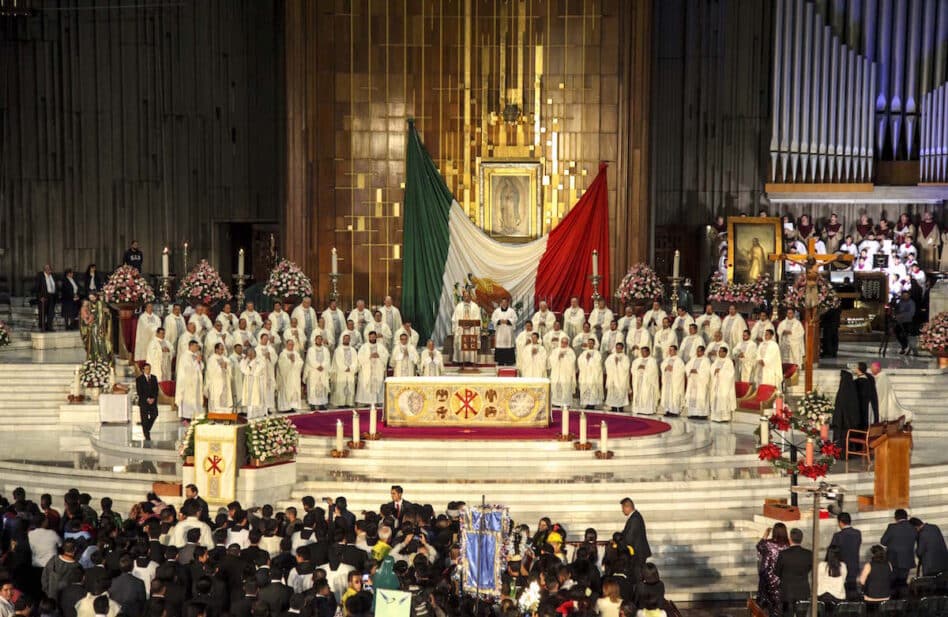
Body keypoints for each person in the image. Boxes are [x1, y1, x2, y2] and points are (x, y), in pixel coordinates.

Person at [774, 528, 812, 615]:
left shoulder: (783, 554)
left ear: (790, 539)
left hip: (786, 591)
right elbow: (810, 568)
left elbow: (777, 572)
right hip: (803, 590)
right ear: (801, 539)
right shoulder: (808, 554)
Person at [880, 509, 916, 595]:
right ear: (906, 517)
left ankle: (893, 603)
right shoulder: (913, 527)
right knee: (903, 582)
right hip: (907, 559)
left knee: (893, 583)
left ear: (895, 518)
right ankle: (905, 602)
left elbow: (883, 541)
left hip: (893, 560)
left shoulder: (892, 527)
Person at [756, 524, 789, 616]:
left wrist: (766, 534)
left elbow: (759, 546)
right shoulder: (787, 546)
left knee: (766, 604)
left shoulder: (767, 544)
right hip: (780, 579)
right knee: (778, 607)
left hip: (767, 578)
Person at [828, 512, 861, 596]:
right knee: (852, 588)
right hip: (854, 564)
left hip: (841, 566)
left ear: (840, 522)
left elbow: (832, 551)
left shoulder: (838, 536)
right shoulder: (857, 533)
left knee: (842, 589)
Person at [619, 498, 651, 581]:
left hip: (637, 553)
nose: (622, 511)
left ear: (628, 507)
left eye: (623, 508)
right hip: (637, 552)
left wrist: (619, 543)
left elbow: (629, 537)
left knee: (638, 577)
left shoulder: (635, 518)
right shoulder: (634, 517)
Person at [831, 370, 862, 451]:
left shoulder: (843, 391)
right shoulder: (853, 391)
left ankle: (839, 450)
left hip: (843, 425)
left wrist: (836, 421)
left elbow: (840, 408)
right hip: (852, 424)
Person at [356, 331, 388, 406]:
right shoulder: (364, 347)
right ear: (368, 337)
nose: (372, 338)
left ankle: (376, 401)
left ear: (376, 337)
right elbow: (360, 358)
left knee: (376, 383)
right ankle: (366, 402)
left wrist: (379, 355)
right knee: (367, 383)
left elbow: (386, 355)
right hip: (367, 369)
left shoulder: (381, 346)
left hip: (377, 369)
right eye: (371, 337)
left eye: (374, 336)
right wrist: (369, 356)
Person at [176, 340, 205, 421]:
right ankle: (186, 417)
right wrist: (197, 361)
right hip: (187, 383)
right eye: (196, 346)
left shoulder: (196, 355)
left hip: (196, 383)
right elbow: (188, 368)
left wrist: (199, 362)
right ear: (190, 346)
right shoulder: (185, 356)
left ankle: (196, 415)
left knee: (196, 400)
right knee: (187, 400)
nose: (197, 348)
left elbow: (201, 367)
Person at [451, 290, 480, 368]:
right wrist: (461, 324)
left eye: (468, 296)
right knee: (461, 343)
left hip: (472, 330)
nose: (466, 298)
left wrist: (470, 324)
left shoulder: (475, 306)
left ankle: (471, 360)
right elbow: (455, 319)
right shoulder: (459, 306)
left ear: (470, 296)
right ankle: (460, 360)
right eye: (465, 296)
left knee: (471, 343)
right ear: (463, 297)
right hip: (461, 329)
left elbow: (478, 318)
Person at [304, 335, 332, 410]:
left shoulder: (325, 350)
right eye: (318, 339)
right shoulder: (311, 349)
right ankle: (312, 404)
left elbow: (327, 359)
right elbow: (310, 360)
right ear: (315, 340)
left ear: (322, 340)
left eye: (320, 339)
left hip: (323, 371)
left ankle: (322, 404)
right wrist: (317, 366)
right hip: (314, 371)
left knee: (322, 387)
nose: (319, 340)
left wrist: (322, 366)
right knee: (313, 387)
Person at [205, 343, 234, 414]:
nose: (223, 350)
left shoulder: (225, 358)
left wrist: (226, 367)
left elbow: (230, 368)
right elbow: (210, 371)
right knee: (216, 401)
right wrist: (220, 367)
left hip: (225, 384)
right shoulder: (211, 359)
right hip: (216, 383)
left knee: (225, 400)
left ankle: (225, 415)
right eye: (221, 349)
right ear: (216, 349)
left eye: (223, 349)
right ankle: (214, 416)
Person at [709, 346, 736, 422]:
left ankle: (725, 417)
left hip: (724, 385)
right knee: (716, 398)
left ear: (725, 353)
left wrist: (720, 372)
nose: (720, 353)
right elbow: (712, 369)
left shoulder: (728, 361)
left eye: (721, 351)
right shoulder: (717, 360)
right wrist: (715, 370)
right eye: (719, 351)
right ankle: (715, 417)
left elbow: (731, 373)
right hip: (717, 383)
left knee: (723, 398)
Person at [240, 348, 269, 419]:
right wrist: (246, 362)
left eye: (251, 353)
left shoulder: (260, 360)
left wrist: (250, 369)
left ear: (255, 353)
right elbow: (243, 370)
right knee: (250, 399)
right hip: (249, 382)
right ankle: (251, 414)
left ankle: (260, 414)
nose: (250, 355)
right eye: (249, 353)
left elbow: (258, 371)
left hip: (258, 382)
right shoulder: (246, 360)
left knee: (258, 398)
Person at [630, 347, 660, 416]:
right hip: (639, 381)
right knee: (638, 394)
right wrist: (637, 369)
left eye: (644, 351)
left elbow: (654, 372)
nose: (643, 353)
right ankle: (638, 409)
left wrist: (645, 368)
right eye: (642, 352)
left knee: (646, 394)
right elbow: (632, 370)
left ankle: (647, 410)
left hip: (647, 382)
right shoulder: (637, 360)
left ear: (648, 352)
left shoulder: (652, 361)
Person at [548, 337, 576, 408]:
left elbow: (572, 362)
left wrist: (565, 357)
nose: (564, 344)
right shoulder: (556, 350)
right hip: (556, 373)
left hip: (565, 374)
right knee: (555, 389)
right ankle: (555, 403)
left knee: (565, 389)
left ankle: (565, 404)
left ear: (567, 343)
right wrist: (558, 357)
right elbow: (551, 360)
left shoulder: (570, 351)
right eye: (562, 342)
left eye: (565, 343)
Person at [276, 340, 304, 412]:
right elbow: (281, 365)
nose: (291, 346)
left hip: (294, 376)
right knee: (285, 391)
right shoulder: (283, 354)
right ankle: (284, 408)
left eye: (292, 344)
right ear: (286, 345)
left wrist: (294, 362)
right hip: (286, 377)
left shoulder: (296, 353)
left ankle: (292, 406)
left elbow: (300, 362)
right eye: (289, 344)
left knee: (294, 392)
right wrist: (290, 361)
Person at [683, 345, 710, 419]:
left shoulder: (706, 360)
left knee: (700, 397)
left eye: (699, 351)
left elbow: (707, 371)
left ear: (703, 352)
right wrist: (690, 370)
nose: (698, 352)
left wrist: (697, 371)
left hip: (701, 382)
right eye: (697, 351)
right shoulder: (693, 359)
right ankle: (693, 413)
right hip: (692, 381)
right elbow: (687, 367)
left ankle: (702, 414)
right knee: (693, 397)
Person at [331, 334, 358, 407]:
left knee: (350, 387)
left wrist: (351, 367)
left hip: (350, 372)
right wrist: (344, 367)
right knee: (341, 387)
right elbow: (337, 360)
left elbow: (355, 360)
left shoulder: (353, 350)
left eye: (348, 339)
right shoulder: (338, 350)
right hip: (341, 372)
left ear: (350, 340)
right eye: (345, 339)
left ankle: (349, 403)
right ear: (342, 339)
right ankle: (341, 403)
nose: (346, 340)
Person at [577, 338, 604, 410]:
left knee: (593, 389)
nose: (590, 344)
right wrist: (586, 360)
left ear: (594, 344)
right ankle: (587, 403)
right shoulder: (583, 353)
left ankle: (592, 404)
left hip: (593, 375)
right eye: (588, 343)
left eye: (591, 343)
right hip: (585, 374)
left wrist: (590, 359)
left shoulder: (597, 353)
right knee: (585, 388)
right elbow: (580, 362)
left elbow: (598, 364)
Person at [659, 345, 685, 416]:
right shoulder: (666, 359)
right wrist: (665, 367)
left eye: (672, 350)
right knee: (667, 395)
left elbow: (681, 371)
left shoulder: (679, 360)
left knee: (674, 395)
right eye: (669, 350)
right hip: (667, 381)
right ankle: (667, 410)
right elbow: (662, 366)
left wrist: (673, 369)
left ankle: (674, 411)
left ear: (676, 351)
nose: (670, 351)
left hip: (675, 382)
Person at [135, 364, 160, 441]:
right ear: (143, 370)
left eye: (149, 369)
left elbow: (156, 390)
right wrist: (147, 399)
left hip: (153, 401)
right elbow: (139, 391)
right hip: (144, 402)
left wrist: (153, 399)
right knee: (144, 419)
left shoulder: (154, 378)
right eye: (146, 369)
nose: (148, 370)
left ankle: (147, 428)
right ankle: (146, 435)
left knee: (155, 415)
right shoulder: (139, 379)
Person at [605, 343, 631, 412]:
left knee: (621, 393)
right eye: (617, 348)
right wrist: (614, 364)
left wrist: (618, 363)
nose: (618, 349)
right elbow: (607, 365)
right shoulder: (611, 357)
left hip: (621, 379)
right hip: (613, 378)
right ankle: (613, 407)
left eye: (619, 348)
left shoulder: (625, 357)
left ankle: (620, 408)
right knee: (613, 393)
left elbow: (626, 368)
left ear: (622, 348)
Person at [491, 298, 517, 366]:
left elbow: (515, 319)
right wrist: (499, 321)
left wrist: (508, 321)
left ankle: (509, 361)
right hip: (500, 332)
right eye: (502, 302)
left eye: (505, 302)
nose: (504, 303)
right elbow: (493, 319)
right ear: (500, 303)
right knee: (500, 345)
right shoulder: (497, 311)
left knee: (509, 345)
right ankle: (500, 361)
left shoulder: (511, 311)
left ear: (507, 303)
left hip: (508, 332)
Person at [853, 362, 879, 428]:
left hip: (863, 407)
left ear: (859, 369)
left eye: (856, 367)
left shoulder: (859, 382)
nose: (854, 368)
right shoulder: (869, 379)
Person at [35, 264, 58, 332]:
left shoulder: (53, 276)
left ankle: (49, 326)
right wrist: (40, 297)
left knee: (51, 313)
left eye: (49, 268)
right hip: (44, 297)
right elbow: (37, 287)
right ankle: (42, 327)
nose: (48, 270)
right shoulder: (40, 276)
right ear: (44, 269)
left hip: (52, 296)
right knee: (43, 312)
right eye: (47, 268)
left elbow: (55, 285)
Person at [893, 290, 916, 355]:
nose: (905, 297)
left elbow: (911, 313)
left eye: (906, 295)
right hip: (900, 321)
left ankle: (906, 346)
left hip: (907, 321)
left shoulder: (911, 303)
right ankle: (904, 346)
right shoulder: (900, 302)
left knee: (904, 334)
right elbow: (897, 310)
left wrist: (901, 315)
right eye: (904, 295)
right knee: (896, 331)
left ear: (909, 296)